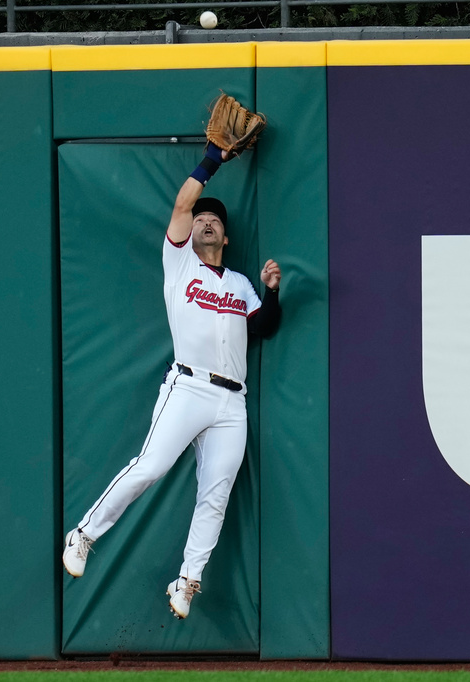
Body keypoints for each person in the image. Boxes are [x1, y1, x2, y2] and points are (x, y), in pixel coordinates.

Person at [62, 140, 282, 620]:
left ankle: (187, 580)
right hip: (188, 386)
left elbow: (264, 327)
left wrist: (272, 292)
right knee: (150, 466)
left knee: (216, 494)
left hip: (232, 403)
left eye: (215, 220)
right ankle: (83, 534)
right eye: (201, 218)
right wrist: (212, 160)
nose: (205, 221)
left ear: (225, 238)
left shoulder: (240, 284)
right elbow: (184, 203)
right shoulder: (179, 264)